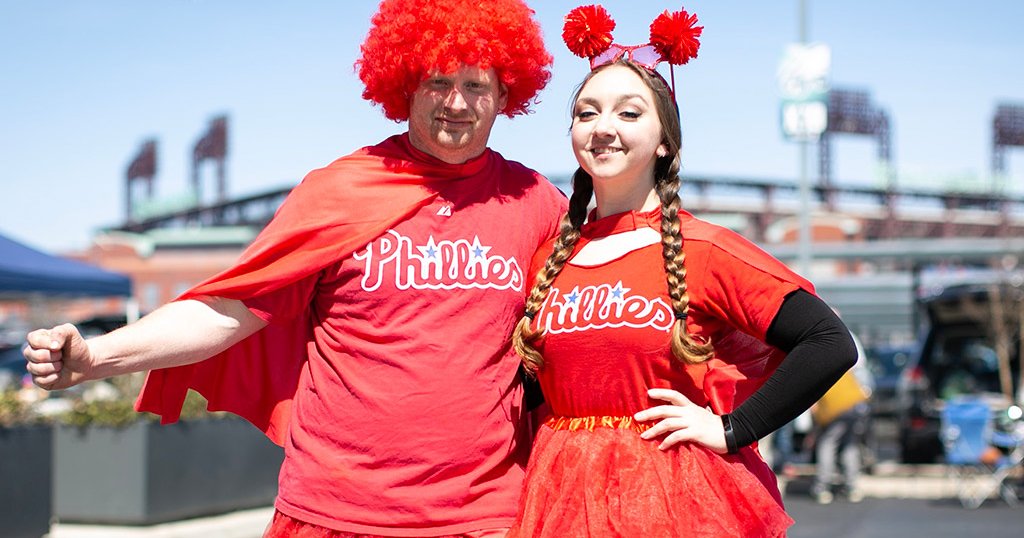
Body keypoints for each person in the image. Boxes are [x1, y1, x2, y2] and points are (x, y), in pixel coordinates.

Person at [23, 1, 567, 536]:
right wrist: (96, 356)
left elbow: (599, 314)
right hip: (334, 512)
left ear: (505, 93)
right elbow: (227, 311)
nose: (457, 102)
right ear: (404, 84)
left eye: (476, 85)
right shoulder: (337, 192)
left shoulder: (536, 202)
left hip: (484, 515)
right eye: (438, 81)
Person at [506, 5, 857, 537]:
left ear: (665, 141)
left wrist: (732, 428)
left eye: (628, 113)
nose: (603, 128)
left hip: (674, 500)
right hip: (560, 499)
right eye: (586, 113)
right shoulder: (548, 258)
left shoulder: (706, 249)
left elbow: (829, 341)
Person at [810, 360, 872, 504]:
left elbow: (814, 405)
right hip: (855, 405)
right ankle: (852, 487)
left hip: (836, 408)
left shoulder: (813, 368)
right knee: (849, 445)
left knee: (827, 444)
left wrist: (817, 423)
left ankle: (822, 487)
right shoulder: (835, 358)